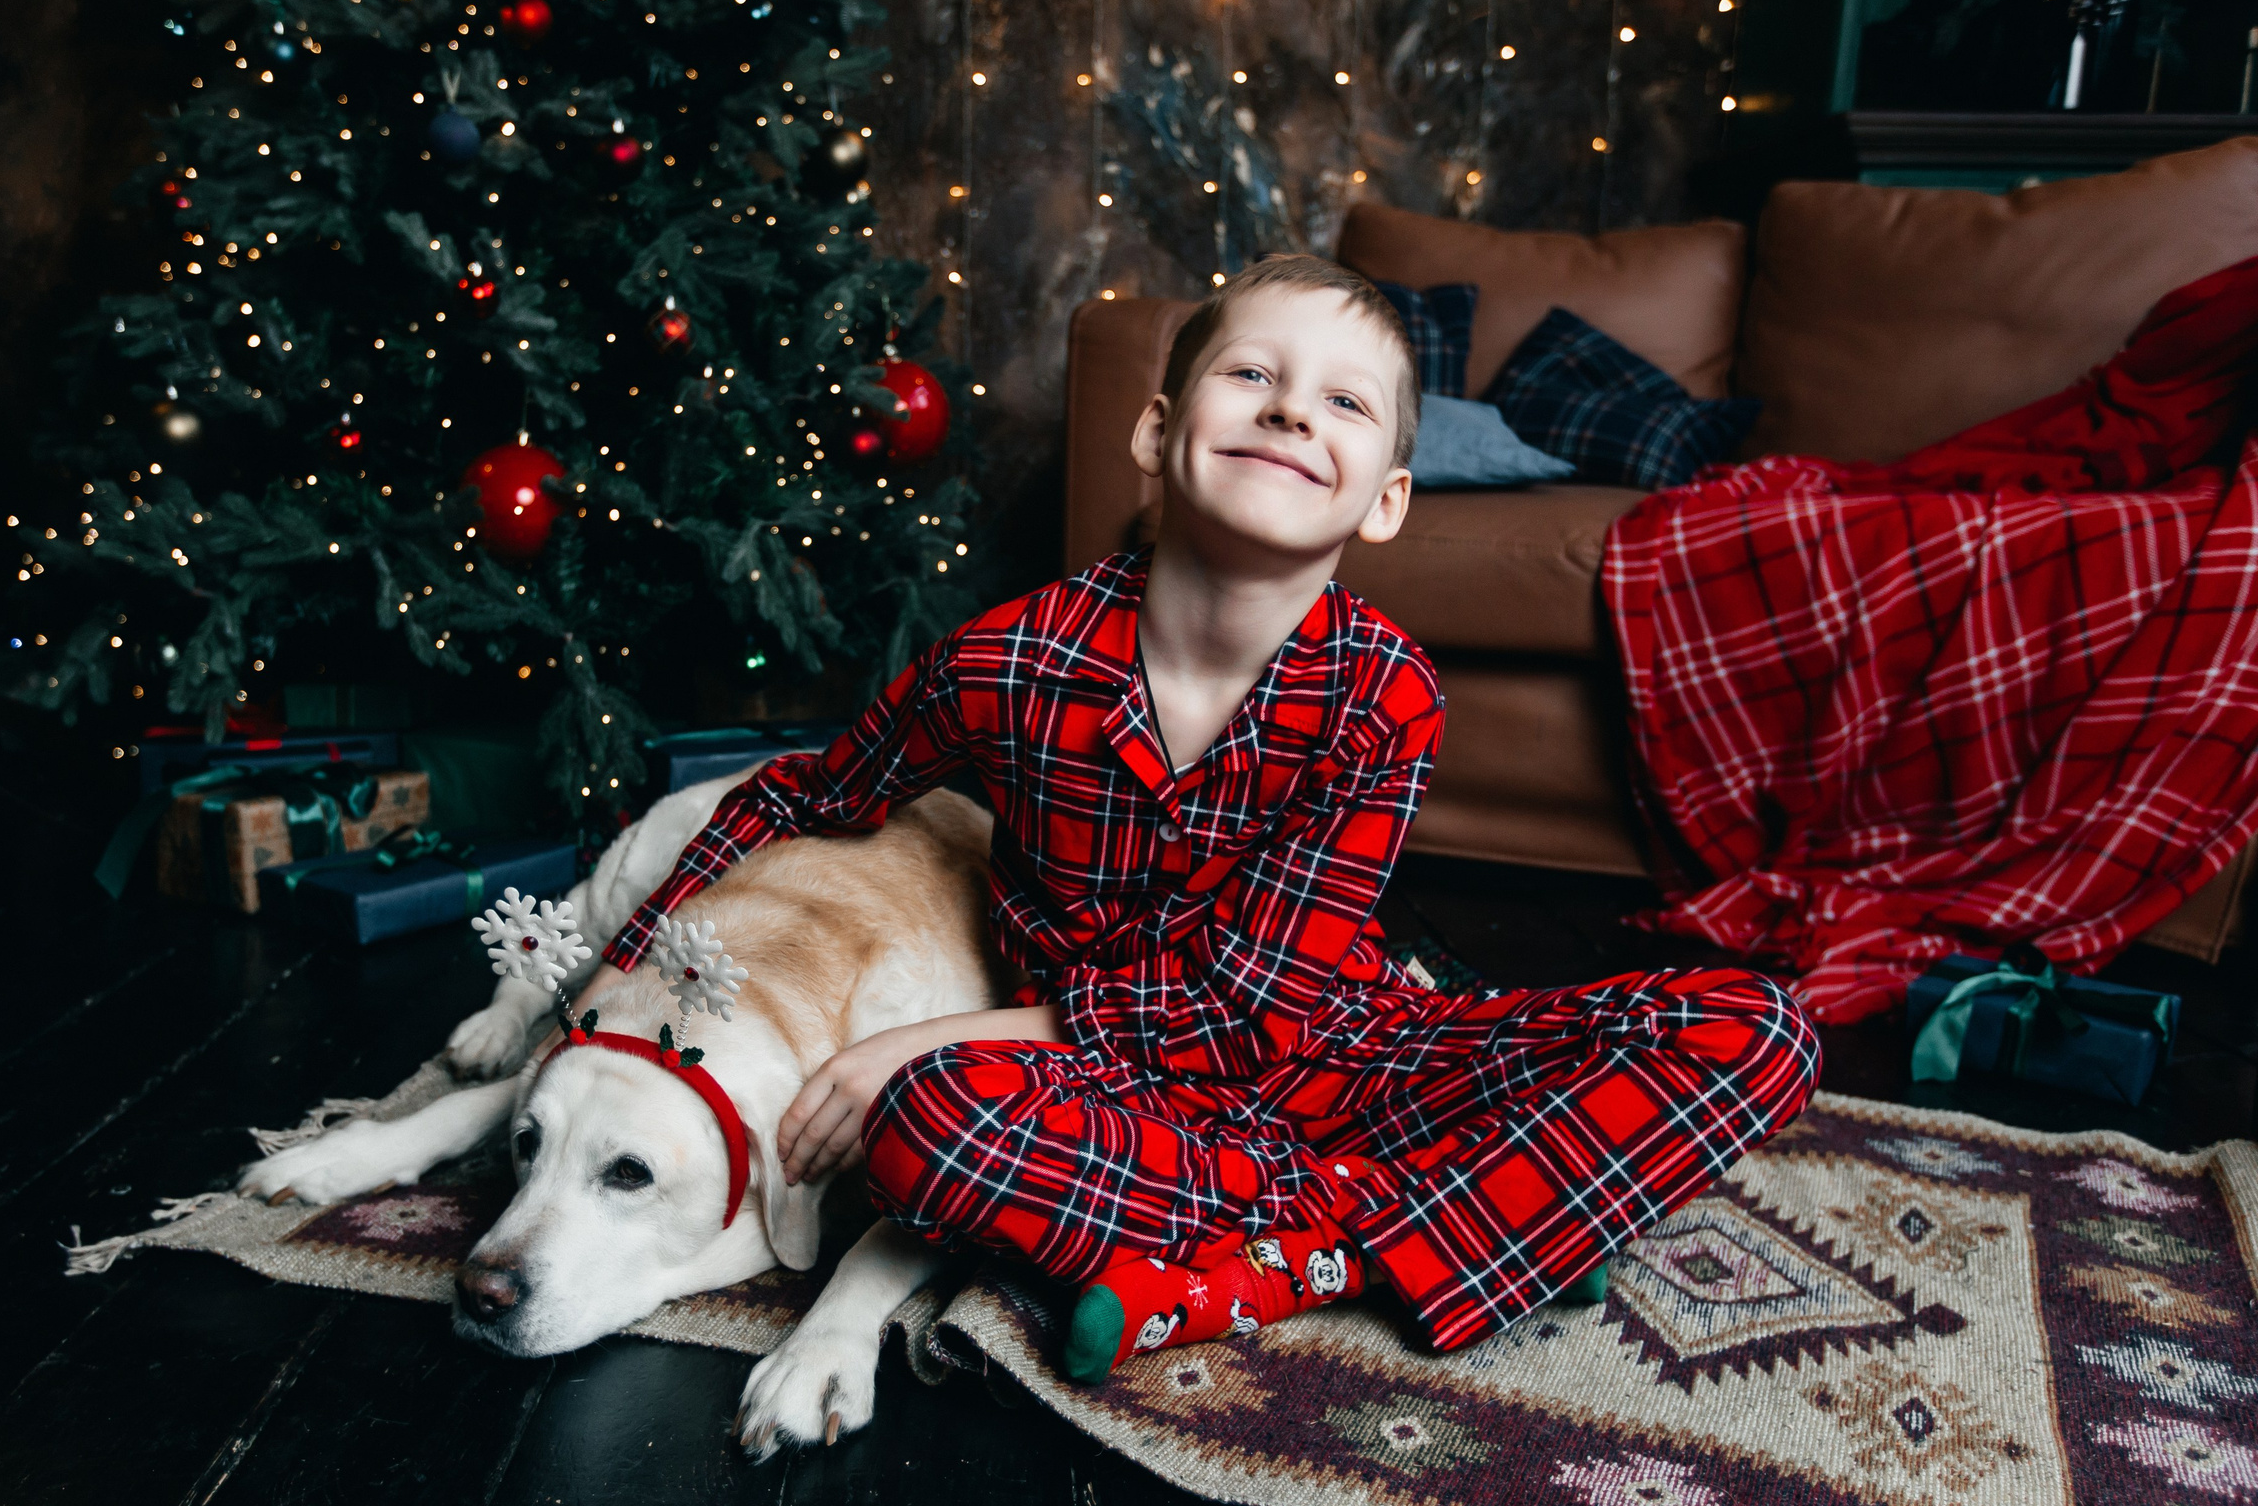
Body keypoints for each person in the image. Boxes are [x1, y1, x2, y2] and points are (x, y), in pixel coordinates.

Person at [585, 253, 1820, 1379]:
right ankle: (1480, 1218)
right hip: (1098, 1094)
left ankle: (1295, 1262)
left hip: (1339, 1058)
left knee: (1758, 1027)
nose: (1291, 409)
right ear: (1158, 429)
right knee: (924, 1132)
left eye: (1344, 403)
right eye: (1253, 375)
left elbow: (1255, 1011)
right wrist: (625, 969)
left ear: (1385, 501)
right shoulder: (1008, 661)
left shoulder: (1384, 692)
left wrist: (908, 1036)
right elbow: (813, 792)